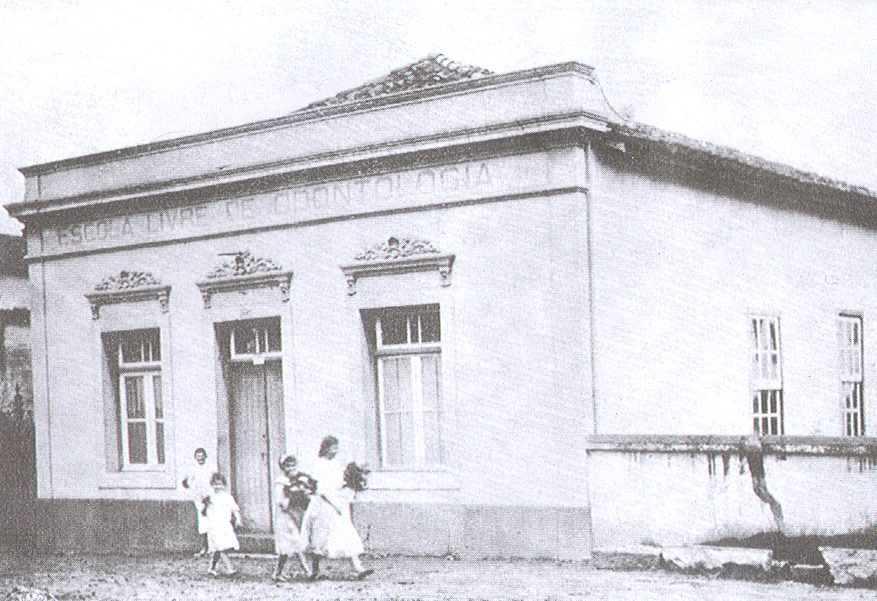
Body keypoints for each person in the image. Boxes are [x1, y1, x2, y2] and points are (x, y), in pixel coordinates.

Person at [300, 435, 373, 580]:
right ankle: (315, 570)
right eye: (333, 448)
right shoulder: (319, 464)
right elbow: (320, 489)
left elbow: (340, 482)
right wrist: (333, 504)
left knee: (345, 532)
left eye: (336, 448)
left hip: (336, 504)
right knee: (320, 537)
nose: (335, 451)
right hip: (323, 505)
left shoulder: (336, 465)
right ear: (326, 448)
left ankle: (358, 568)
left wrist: (348, 487)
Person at [271, 454, 312, 582]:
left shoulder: (297, 481)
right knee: (293, 543)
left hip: (293, 515)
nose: (291, 467)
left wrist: (303, 495)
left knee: (292, 545)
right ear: (283, 467)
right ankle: (308, 571)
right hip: (284, 518)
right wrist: (292, 497)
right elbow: (280, 502)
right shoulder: (281, 482)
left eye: (293, 465)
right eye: (288, 465)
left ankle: (277, 573)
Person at [204, 472, 241, 577]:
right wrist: (205, 504)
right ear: (211, 485)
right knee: (221, 548)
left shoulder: (227, 497)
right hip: (214, 526)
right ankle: (230, 568)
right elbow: (204, 512)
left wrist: (238, 519)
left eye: (220, 484)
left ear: (224, 485)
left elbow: (235, 509)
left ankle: (211, 568)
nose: (218, 486)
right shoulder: (210, 498)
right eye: (215, 484)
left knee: (218, 549)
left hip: (224, 525)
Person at [181, 447, 214, 557]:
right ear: (195, 458)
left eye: (202, 456)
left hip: (209, 498)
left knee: (211, 522)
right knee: (203, 523)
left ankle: (212, 548)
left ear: (205, 457)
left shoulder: (210, 469)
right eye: (198, 457)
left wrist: (208, 497)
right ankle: (205, 547)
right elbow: (188, 483)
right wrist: (186, 482)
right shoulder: (193, 470)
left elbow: (213, 483)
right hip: (199, 499)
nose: (200, 458)